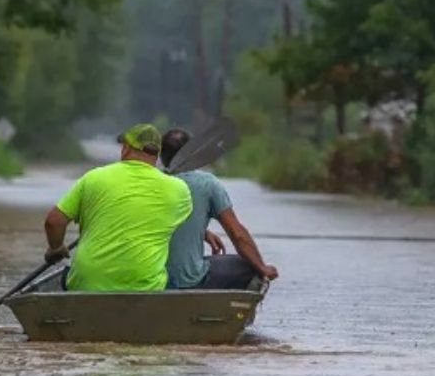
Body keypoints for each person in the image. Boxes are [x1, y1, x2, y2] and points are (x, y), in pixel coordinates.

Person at [43, 123, 191, 291]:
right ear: (157, 154)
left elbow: (53, 222)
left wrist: (56, 248)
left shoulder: (93, 178)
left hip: (88, 285)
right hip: (146, 287)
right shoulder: (179, 189)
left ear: (126, 149)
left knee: (68, 275)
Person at [161, 127, 278, 289]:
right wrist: (262, 267)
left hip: (154, 279)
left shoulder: (151, 183)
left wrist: (203, 232)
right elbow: (237, 235)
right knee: (250, 266)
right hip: (189, 280)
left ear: (161, 156)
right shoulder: (207, 183)